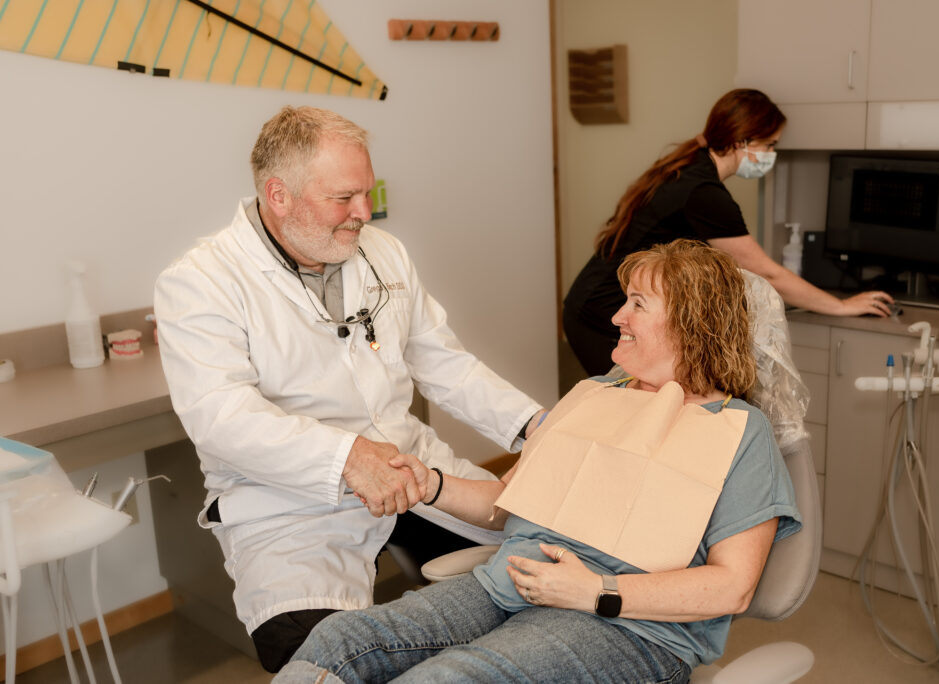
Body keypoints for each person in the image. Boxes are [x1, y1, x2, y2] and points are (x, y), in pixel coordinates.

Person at [274, 239, 802, 684]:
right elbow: (507, 505)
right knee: (341, 640)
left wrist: (597, 591)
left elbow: (733, 586)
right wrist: (429, 483)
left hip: (630, 628)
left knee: (446, 679)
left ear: (692, 322)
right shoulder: (595, 394)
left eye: (638, 303)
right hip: (509, 584)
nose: (617, 316)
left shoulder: (738, 430)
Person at [153, 106, 544, 672]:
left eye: (368, 192)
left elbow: (446, 364)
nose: (365, 213)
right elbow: (223, 419)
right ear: (278, 194)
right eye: (344, 198)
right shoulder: (201, 282)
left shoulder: (383, 253)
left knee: (539, 580)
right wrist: (350, 458)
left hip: (413, 468)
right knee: (319, 659)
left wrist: (537, 427)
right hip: (292, 505)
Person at [563, 88, 895, 376]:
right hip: (599, 314)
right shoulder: (704, 193)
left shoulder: (691, 167)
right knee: (637, 410)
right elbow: (767, 273)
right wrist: (841, 306)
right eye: (769, 145)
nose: (771, 155)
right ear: (742, 141)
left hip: (601, 304)